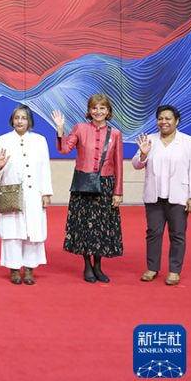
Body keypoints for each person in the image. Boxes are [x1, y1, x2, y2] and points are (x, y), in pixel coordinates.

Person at [52, 93, 123, 283]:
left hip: (106, 185)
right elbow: (64, 149)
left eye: (102, 108)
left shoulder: (115, 134)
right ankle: (87, 266)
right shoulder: (80, 128)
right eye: (94, 108)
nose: (98, 112)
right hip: (83, 184)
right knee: (85, 226)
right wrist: (60, 129)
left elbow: (118, 165)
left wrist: (118, 192)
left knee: (101, 227)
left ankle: (98, 266)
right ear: (89, 111)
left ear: (108, 111)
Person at [132, 105, 191, 286]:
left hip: (179, 196)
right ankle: (152, 268)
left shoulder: (188, 142)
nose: (164, 122)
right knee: (153, 232)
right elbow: (136, 165)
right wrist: (143, 154)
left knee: (177, 234)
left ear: (176, 121)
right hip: (154, 196)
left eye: (168, 118)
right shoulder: (149, 140)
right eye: (160, 118)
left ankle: (174, 270)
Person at [0, 105, 52, 285]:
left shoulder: (40, 140)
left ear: (29, 121)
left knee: (32, 231)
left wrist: (46, 193)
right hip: (12, 192)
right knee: (13, 232)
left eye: (23, 118)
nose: (19, 121)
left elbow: (45, 168)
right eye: (17, 118)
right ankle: (15, 269)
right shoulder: (3, 140)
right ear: (12, 120)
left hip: (34, 194)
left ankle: (30, 269)